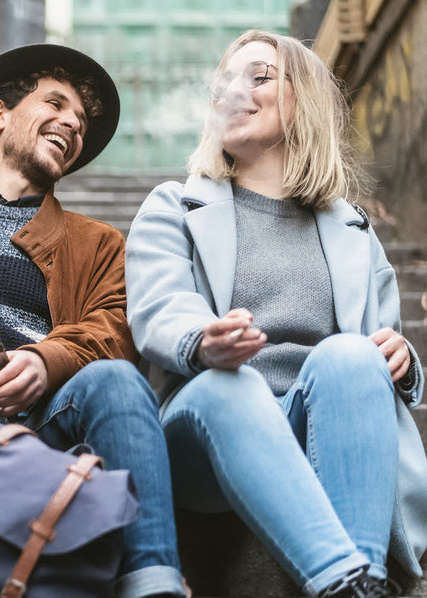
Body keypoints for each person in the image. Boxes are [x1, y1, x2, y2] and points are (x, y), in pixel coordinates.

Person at [125, 30, 427, 597]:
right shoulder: (175, 206)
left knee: (352, 355)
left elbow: (385, 343)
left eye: (259, 76)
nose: (233, 92)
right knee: (229, 385)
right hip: (212, 431)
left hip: (320, 429)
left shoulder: (354, 231)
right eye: (224, 84)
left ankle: (359, 578)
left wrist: (402, 362)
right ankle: (343, 577)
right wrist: (202, 341)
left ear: (304, 99)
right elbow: (160, 304)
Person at [0, 44, 188, 598]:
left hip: (46, 423)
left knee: (120, 380)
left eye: (80, 122)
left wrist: (44, 359)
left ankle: (154, 581)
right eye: (56, 103)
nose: (73, 124)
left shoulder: (99, 243)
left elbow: (117, 330)